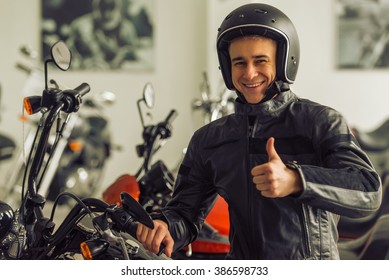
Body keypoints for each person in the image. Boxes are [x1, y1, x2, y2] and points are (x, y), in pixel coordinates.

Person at [136, 3, 382, 259]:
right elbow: (184, 215)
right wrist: (164, 226)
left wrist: (297, 180)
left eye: (260, 60)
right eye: (239, 62)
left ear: (284, 61)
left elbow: (368, 191)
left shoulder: (320, 122)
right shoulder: (208, 140)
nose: (249, 73)